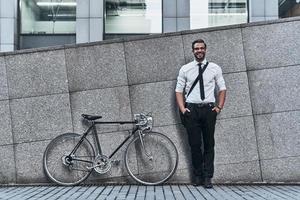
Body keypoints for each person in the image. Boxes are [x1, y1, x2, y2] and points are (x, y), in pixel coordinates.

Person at [175, 39, 226, 188]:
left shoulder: (215, 68)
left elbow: (222, 88)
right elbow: (178, 91)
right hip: (192, 110)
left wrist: (219, 107)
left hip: (209, 110)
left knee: (209, 144)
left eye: (201, 48)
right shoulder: (185, 69)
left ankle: (208, 177)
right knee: (195, 145)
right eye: (196, 48)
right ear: (193, 51)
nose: (199, 50)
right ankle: (198, 175)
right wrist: (183, 109)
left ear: (205, 49)